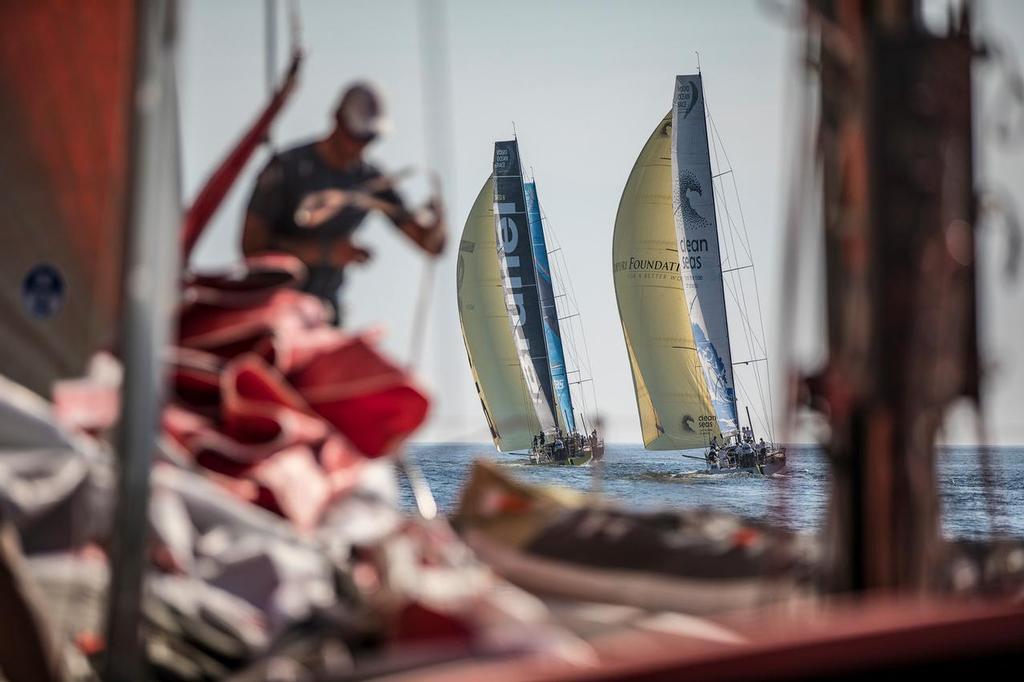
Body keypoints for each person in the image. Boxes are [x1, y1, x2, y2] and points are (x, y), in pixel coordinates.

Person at [242, 81, 446, 324]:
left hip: (324, 316)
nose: (361, 146)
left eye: (369, 138)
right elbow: (251, 247)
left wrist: (438, 223)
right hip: (270, 311)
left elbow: (429, 244)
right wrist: (327, 252)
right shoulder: (287, 168)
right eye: (357, 136)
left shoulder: (371, 182)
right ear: (337, 120)